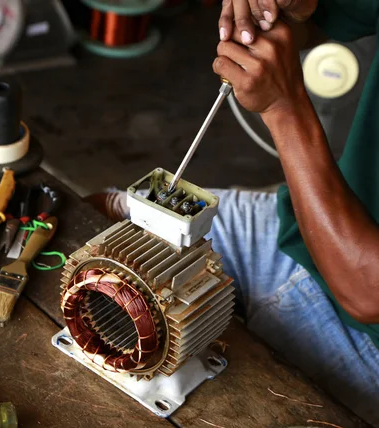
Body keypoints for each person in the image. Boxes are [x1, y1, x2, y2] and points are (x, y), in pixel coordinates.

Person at [87, 0, 379, 424]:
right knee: (97, 216)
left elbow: (367, 292)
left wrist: (283, 106)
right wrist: (285, 15)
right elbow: (319, 21)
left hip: (365, 330)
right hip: (310, 222)